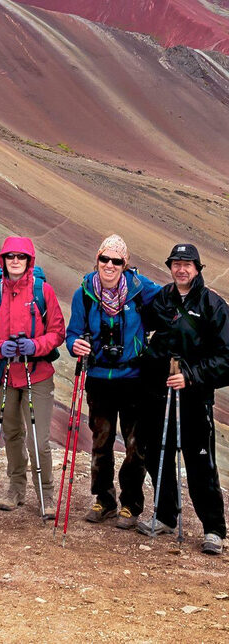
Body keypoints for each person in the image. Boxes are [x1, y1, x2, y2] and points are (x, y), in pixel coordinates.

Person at [137, 244, 229, 555]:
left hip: (194, 397)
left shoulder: (213, 305)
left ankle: (214, 528)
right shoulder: (162, 298)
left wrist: (191, 375)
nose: (181, 269)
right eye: (176, 263)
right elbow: (144, 330)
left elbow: (226, 358)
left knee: (199, 461)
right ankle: (165, 516)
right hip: (158, 393)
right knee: (156, 453)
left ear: (198, 268)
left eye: (187, 264)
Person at [66, 234, 161, 529]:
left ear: (125, 264)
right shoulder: (84, 292)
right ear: (97, 259)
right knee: (101, 441)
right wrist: (75, 346)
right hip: (98, 378)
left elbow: (168, 301)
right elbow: (72, 332)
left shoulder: (140, 289)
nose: (109, 265)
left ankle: (131, 504)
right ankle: (104, 500)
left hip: (133, 378)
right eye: (104, 259)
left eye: (116, 260)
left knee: (135, 444)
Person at [0, 236, 66, 519]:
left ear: (29, 260)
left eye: (20, 256)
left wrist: (36, 346)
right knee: (12, 433)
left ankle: (46, 493)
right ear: (3, 260)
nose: (15, 261)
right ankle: (15, 488)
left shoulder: (43, 291)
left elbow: (57, 332)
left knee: (38, 439)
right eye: (10, 256)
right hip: (1, 374)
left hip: (37, 374)